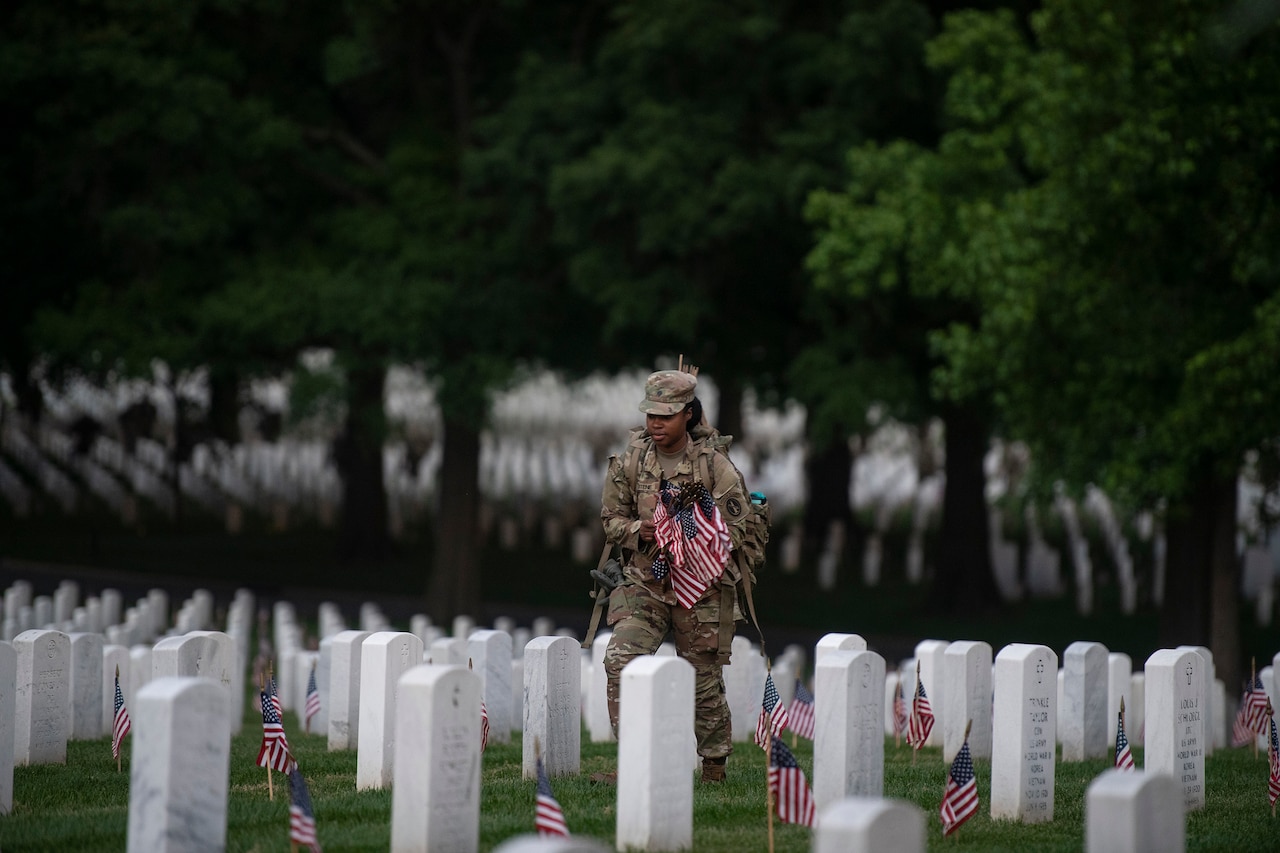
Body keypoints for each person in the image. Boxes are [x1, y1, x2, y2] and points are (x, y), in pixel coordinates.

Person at [598, 368, 753, 783]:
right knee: (620, 660)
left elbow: (740, 525)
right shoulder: (632, 461)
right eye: (651, 414)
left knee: (703, 678)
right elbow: (611, 518)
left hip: (699, 586)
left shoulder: (714, 467)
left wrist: (696, 535)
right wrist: (637, 530)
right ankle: (633, 758)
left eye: (666, 415)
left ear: (688, 414)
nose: (656, 423)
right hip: (646, 582)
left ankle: (714, 767)